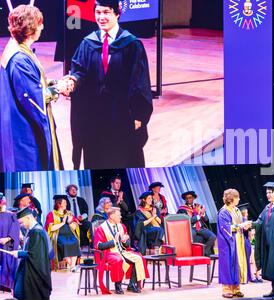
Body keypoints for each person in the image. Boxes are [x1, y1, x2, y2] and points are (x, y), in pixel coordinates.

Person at [69, 0, 153, 170]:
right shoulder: (88, 43)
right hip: (94, 118)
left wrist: (139, 115)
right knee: (96, 157)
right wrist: (72, 82)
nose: (101, 17)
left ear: (117, 13)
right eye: (98, 12)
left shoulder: (131, 44)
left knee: (124, 158)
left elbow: (140, 81)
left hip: (122, 115)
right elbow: (79, 70)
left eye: (106, 12)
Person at [0, 5, 73, 172]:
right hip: (25, 130)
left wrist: (54, 83)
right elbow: (33, 98)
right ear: (31, 28)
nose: (43, 27)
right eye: (40, 23)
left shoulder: (18, 49)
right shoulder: (19, 59)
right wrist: (58, 88)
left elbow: (33, 83)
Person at [94, 207, 149, 294]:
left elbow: (126, 245)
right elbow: (99, 246)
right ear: (112, 216)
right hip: (109, 253)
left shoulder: (121, 226)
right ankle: (118, 285)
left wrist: (124, 241)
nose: (121, 217)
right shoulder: (101, 229)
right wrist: (114, 242)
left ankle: (132, 284)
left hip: (122, 251)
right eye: (118, 215)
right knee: (118, 260)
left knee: (138, 258)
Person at [11, 207, 52, 300]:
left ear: (28, 218)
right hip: (27, 267)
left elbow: (35, 254)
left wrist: (19, 253)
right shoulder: (33, 231)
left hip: (35, 272)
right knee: (18, 293)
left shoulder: (37, 232)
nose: (21, 225)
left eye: (22, 222)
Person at [217, 189, 252, 298]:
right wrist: (240, 226)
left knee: (238, 264)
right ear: (232, 199)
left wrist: (246, 226)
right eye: (237, 197)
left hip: (239, 241)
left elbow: (241, 222)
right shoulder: (223, 212)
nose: (239, 199)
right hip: (228, 243)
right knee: (228, 265)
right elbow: (226, 228)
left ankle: (236, 288)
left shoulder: (236, 210)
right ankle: (226, 289)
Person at [45, 195, 81, 272]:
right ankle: (72, 266)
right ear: (59, 204)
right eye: (64, 202)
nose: (66, 204)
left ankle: (72, 266)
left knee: (75, 242)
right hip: (58, 235)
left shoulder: (69, 214)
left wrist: (70, 222)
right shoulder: (51, 214)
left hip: (70, 235)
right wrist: (63, 222)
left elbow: (75, 228)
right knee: (64, 244)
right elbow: (51, 228)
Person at [177, 191, 216, 256]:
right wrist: (199, 215)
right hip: (190, 228)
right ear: (185, 199)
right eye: (187, 198)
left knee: (213, 237)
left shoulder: (199, 207)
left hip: (200, 228)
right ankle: (189, 254)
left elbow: (206, 219)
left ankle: (204, 252)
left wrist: (203, 214)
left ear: (193, 198)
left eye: (190, 197)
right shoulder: (182, 209)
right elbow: (187, 221)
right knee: (192, 235)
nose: (188, 199)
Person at [0, 193, 20, 292]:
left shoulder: (11, 215)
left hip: (7, 245)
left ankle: (7, 285)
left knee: (7, 260)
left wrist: (7, 239)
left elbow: (15, 229)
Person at [238, 203, 262, 283]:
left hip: (248, 242)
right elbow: (249, 233)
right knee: (251, 259)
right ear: (243, 213)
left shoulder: (243, 221)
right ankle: (253, 276)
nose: (248, 214)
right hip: (245, 242)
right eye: (246, 212)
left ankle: (255, 275)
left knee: (253, 259)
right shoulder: (244, 222)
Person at [134, 191, 164, 255]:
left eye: (151, 198)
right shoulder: (139, 211)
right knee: (159, 230)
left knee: (162, 229)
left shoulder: (154, 209)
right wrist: (152, 217)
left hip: (157, 229)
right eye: (149, 198)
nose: (151, 200)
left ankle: (160, 250)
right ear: (144, 200)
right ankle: (157, 250)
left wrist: (155, 216)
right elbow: (141, 224)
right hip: (147, 230)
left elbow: (161, 222)